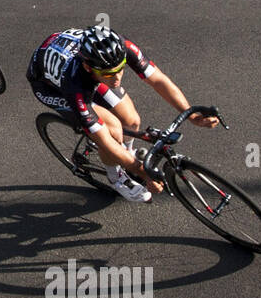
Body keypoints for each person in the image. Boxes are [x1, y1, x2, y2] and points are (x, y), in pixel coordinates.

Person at [27, 24, 218, 202]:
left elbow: (158, 80)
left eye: (120, 70)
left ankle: (126, 155)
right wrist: (143, 171)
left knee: (131, 120)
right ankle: (116, 178)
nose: (117, 78)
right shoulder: (74, 82)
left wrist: (191, 114)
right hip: (49, 86)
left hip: (82, 64)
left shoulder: (121, 48)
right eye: (109, 74)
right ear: (88, 66)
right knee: (112, 130)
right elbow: (105, 140)